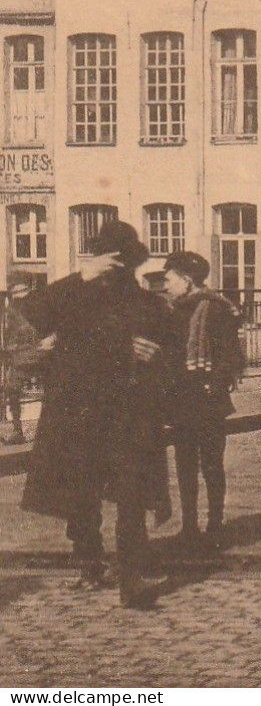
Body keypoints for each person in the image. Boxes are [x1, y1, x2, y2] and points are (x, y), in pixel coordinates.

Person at [18, 221, 171, 607]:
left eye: (122, 265)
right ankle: (89, 563)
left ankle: (131, 577)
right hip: (80, 414)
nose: (114, 274)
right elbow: (33, 312)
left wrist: (156, 357)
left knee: (132, 495)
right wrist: (81, 276)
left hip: (126, 415)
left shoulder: (150, 304)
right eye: (108, 265)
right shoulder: (76, 299)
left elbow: (170, 357)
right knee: (80, 494)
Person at [159, 251, 243, 551]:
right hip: (181, 400)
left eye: (169, 279)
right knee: (184, 464)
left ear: (186, 279)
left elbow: (230, 356)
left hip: (206, 400)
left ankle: (215, 524)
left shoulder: (215, 310)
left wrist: (213, 388)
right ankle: (190, 525)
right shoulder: (171, 310)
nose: (165, 285)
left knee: (211, 463)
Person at [2, 274, 52, 446]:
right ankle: (17, 431)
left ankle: (49, 431)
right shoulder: (11, 310)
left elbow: (54, 327)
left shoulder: (40, 305)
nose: (16, 296)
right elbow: (9, 334)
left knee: (53, 391)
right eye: (13, 292)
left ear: (27, 289)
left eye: (20, 291)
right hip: (22, 357)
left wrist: (50, 339)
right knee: (11, 389)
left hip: (42, 355)